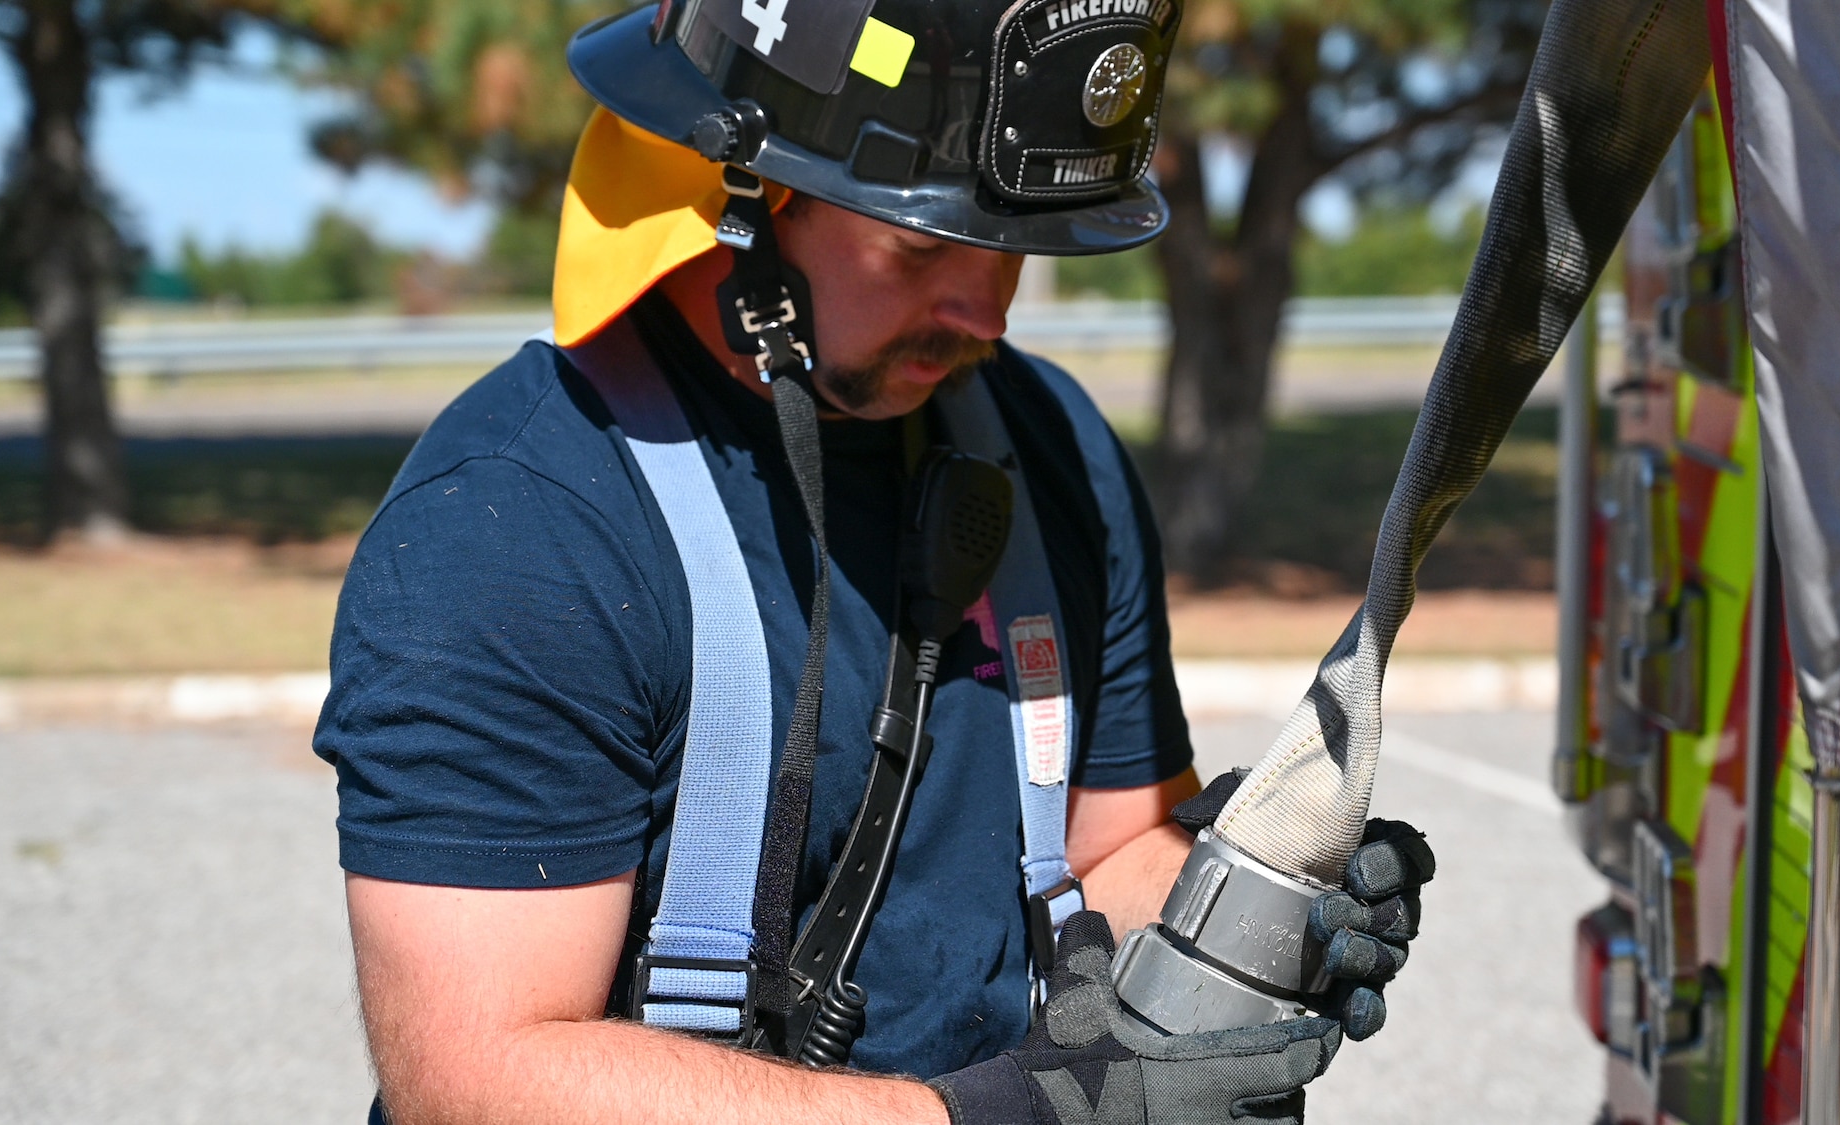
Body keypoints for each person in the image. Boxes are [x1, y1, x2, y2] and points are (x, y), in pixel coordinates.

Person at [314, 3, 1432, 1123]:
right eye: (922, 243)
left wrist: (1248, 906)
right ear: (744, 197)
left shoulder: (1051, 449)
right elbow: (477, 1078)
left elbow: (1106, 849)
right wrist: (994, 1119)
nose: (981, 312)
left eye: (1013, 246)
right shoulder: (515, 528)